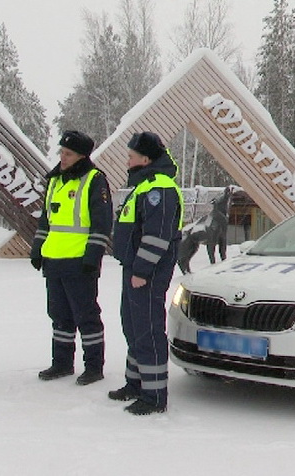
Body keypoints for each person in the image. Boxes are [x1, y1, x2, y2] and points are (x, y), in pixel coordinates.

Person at [30, 130, 113, 386]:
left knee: (86, 315)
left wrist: (93, 256)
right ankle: (62, 363)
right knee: (59, 315)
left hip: (79, 261)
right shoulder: (55, 181)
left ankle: (93, 366)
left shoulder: (94, 180)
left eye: (68, 154)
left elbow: (102, 223)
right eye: (61, 153)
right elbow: (47, 219)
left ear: (81, 156)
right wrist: (38, 246)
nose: (62, 158)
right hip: (54, 259)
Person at [109, 131, 184, 415]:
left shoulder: (159, 189)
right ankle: (136, 383)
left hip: (147, 272)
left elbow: (157, 236)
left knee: (148, 329)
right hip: (134, 269)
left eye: (130, 156)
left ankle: (153, 395)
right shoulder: (144, 186)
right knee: (132, 325)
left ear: (145, 158)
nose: (127, 161)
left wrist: (141, 270)